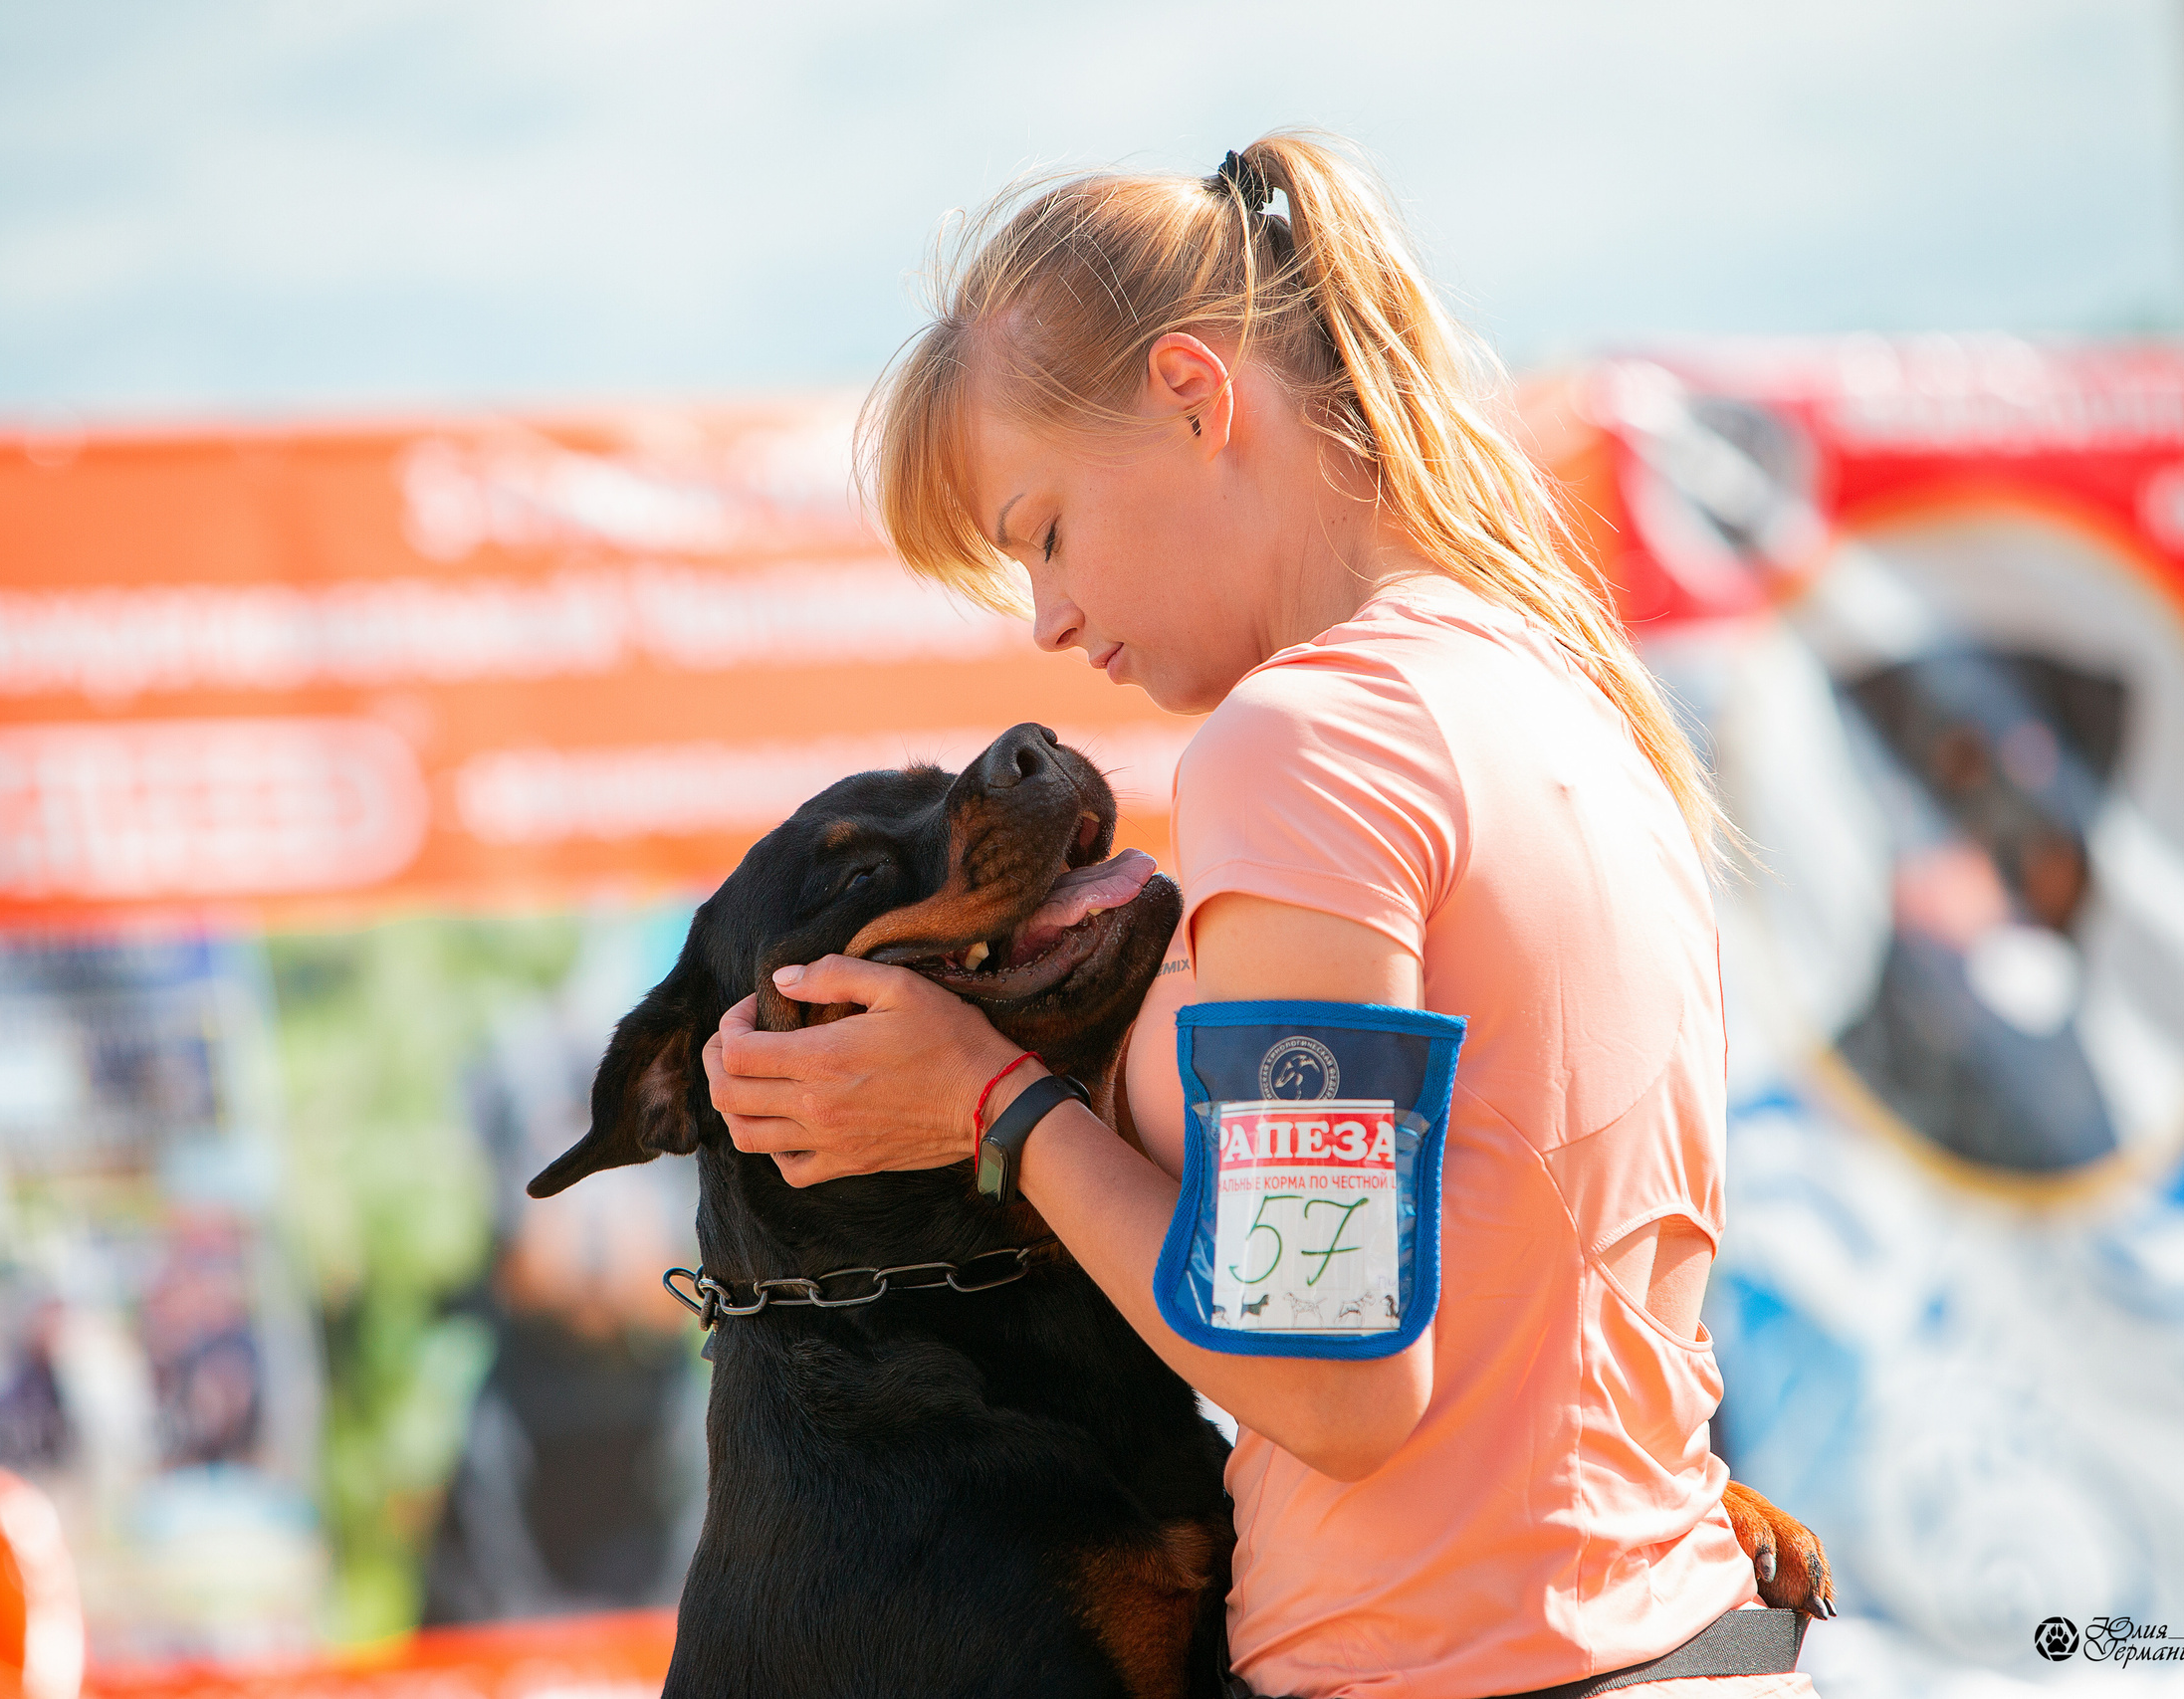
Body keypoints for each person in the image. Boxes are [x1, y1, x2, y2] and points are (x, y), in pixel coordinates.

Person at [703, 130, 1809, 1698]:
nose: (1050, 620)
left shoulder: (1305, 742)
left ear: (1193, 395)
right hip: (1692, 1643)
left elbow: (1331, 1375)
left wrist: (995, 1107)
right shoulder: (1563, 694)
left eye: (1045, 530)